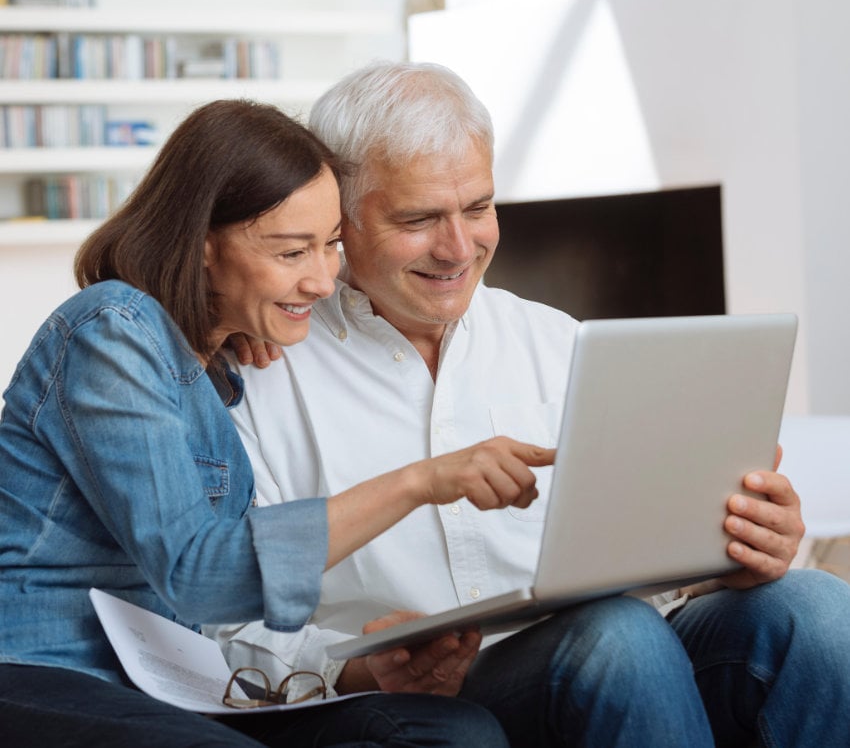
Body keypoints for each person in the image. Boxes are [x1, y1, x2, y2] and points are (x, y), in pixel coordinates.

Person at [216, 63, 850, 748]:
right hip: (440, 703)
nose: (460, 248)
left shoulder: (560, 344)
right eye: (419, 218)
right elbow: (221, 625)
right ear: (338, 213)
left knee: (816, 608)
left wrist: (723, 555)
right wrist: (356, 671)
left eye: (479, 207)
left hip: (623, 665)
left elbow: (644, 577)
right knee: (617, 638)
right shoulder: (263, 372)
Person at [0, 96, 572, 748]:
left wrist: (363, 666)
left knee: (453, 729)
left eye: (330, 246)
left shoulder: (222, 365)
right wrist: (422, 481)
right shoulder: (111, 332)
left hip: (168, 682)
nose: (326, 281)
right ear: (204, 246)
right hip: (42, 666)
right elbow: (199, 575)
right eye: (293, 252)